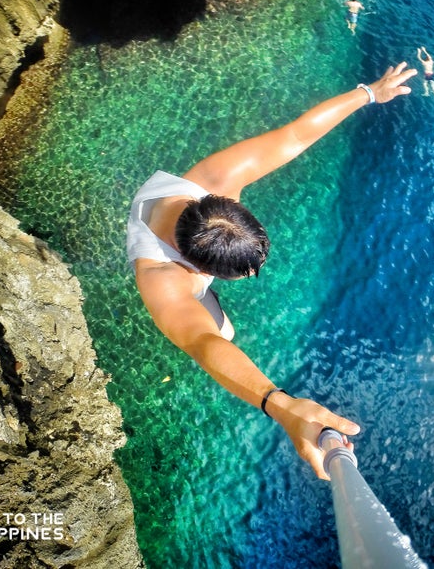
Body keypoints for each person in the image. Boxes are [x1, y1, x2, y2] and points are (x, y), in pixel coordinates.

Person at [127, 63, 418, 480]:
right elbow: (202, 343)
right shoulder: (164, 278)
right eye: (243, 273)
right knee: (222, 333)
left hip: (178, 225)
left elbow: (297, 134)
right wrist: (280, 405)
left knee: (223, 332)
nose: (252, 274)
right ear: (201, 269)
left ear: (230, 204)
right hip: (172, 263)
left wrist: (370, 93)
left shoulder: (216, 180)